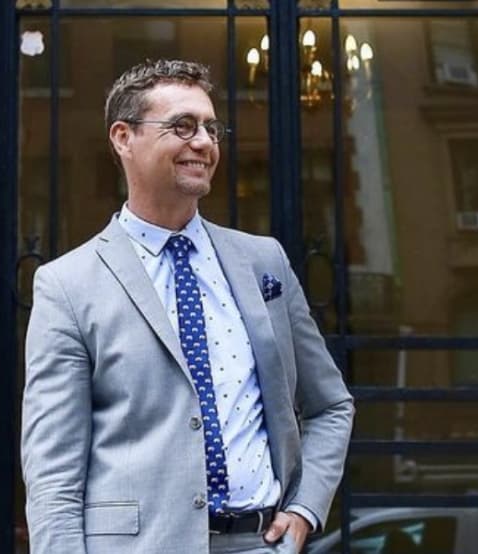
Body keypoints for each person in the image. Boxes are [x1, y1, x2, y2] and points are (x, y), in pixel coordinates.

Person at [21, 59, 354, 554]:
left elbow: (331, 405)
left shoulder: (265, 261)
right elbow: (54, 473)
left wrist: (305, 509)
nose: (203, 142)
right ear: (123, 137)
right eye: (182, 126)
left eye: (211, 128)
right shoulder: (67, 285)